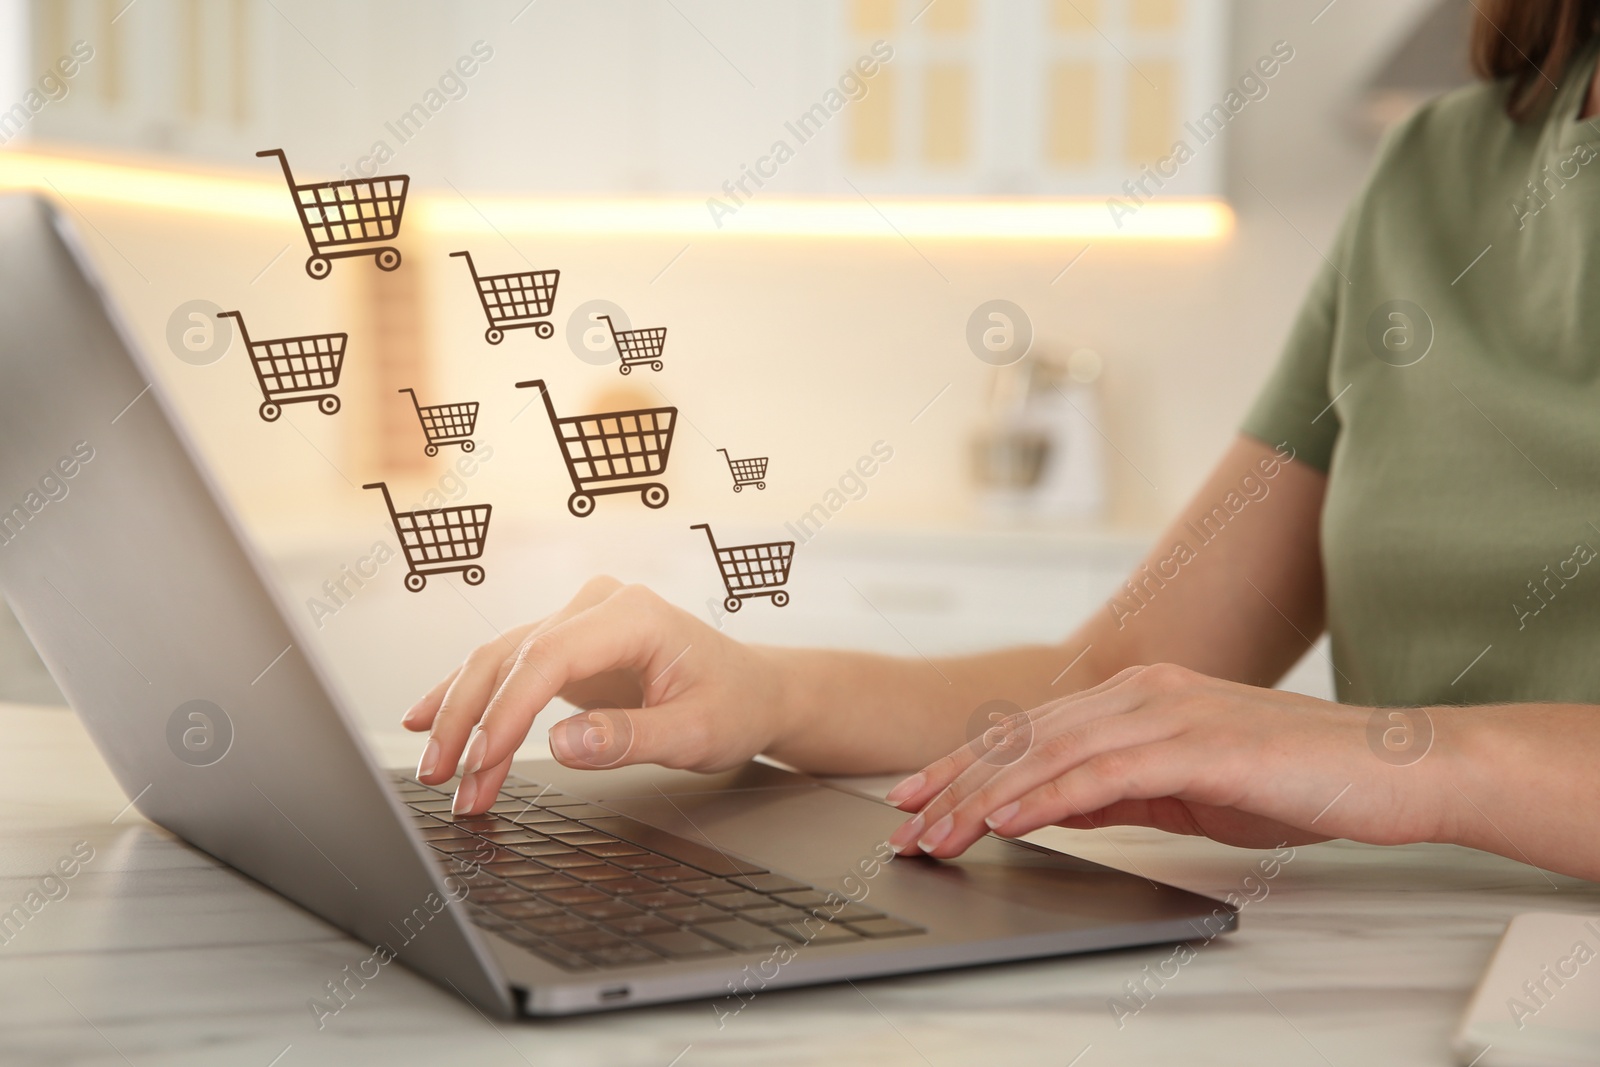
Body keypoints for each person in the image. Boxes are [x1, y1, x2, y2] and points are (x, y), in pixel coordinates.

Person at [404, 0, 1600, 883]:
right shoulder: (1427, 177)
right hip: (1393, 972)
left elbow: (1378, 758)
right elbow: (1110, 676)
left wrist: (1408, 757)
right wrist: (769, 688)